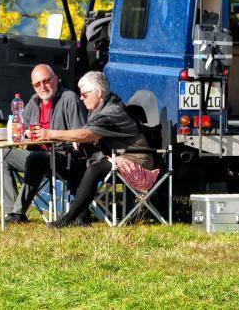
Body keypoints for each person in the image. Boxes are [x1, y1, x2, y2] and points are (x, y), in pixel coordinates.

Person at [37, 70, 155, 228]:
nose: (81, 98)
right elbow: (88, 129)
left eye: (84, 94)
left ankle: (68, 219)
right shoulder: (101, 108)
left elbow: (87, 134)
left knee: (94, 169)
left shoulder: (112, 111)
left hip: (137, 161)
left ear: (98, 93)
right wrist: (77, 139)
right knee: (77, 162)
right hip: (117, 157)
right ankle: (81, 217)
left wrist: (51, 133)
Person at [0, 63, 87, 224]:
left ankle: (18, 213)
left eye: (46, 81)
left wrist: (51, 135)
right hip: (36, 154)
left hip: (63, 157)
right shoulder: (34, 101)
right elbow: (22, 129)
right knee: (1, 155)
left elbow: (80, 135)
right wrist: (23, 135)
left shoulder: (69, 98)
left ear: (56, 79)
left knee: (35, 159)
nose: (42, 87)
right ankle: (9, 212)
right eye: (37, 84)